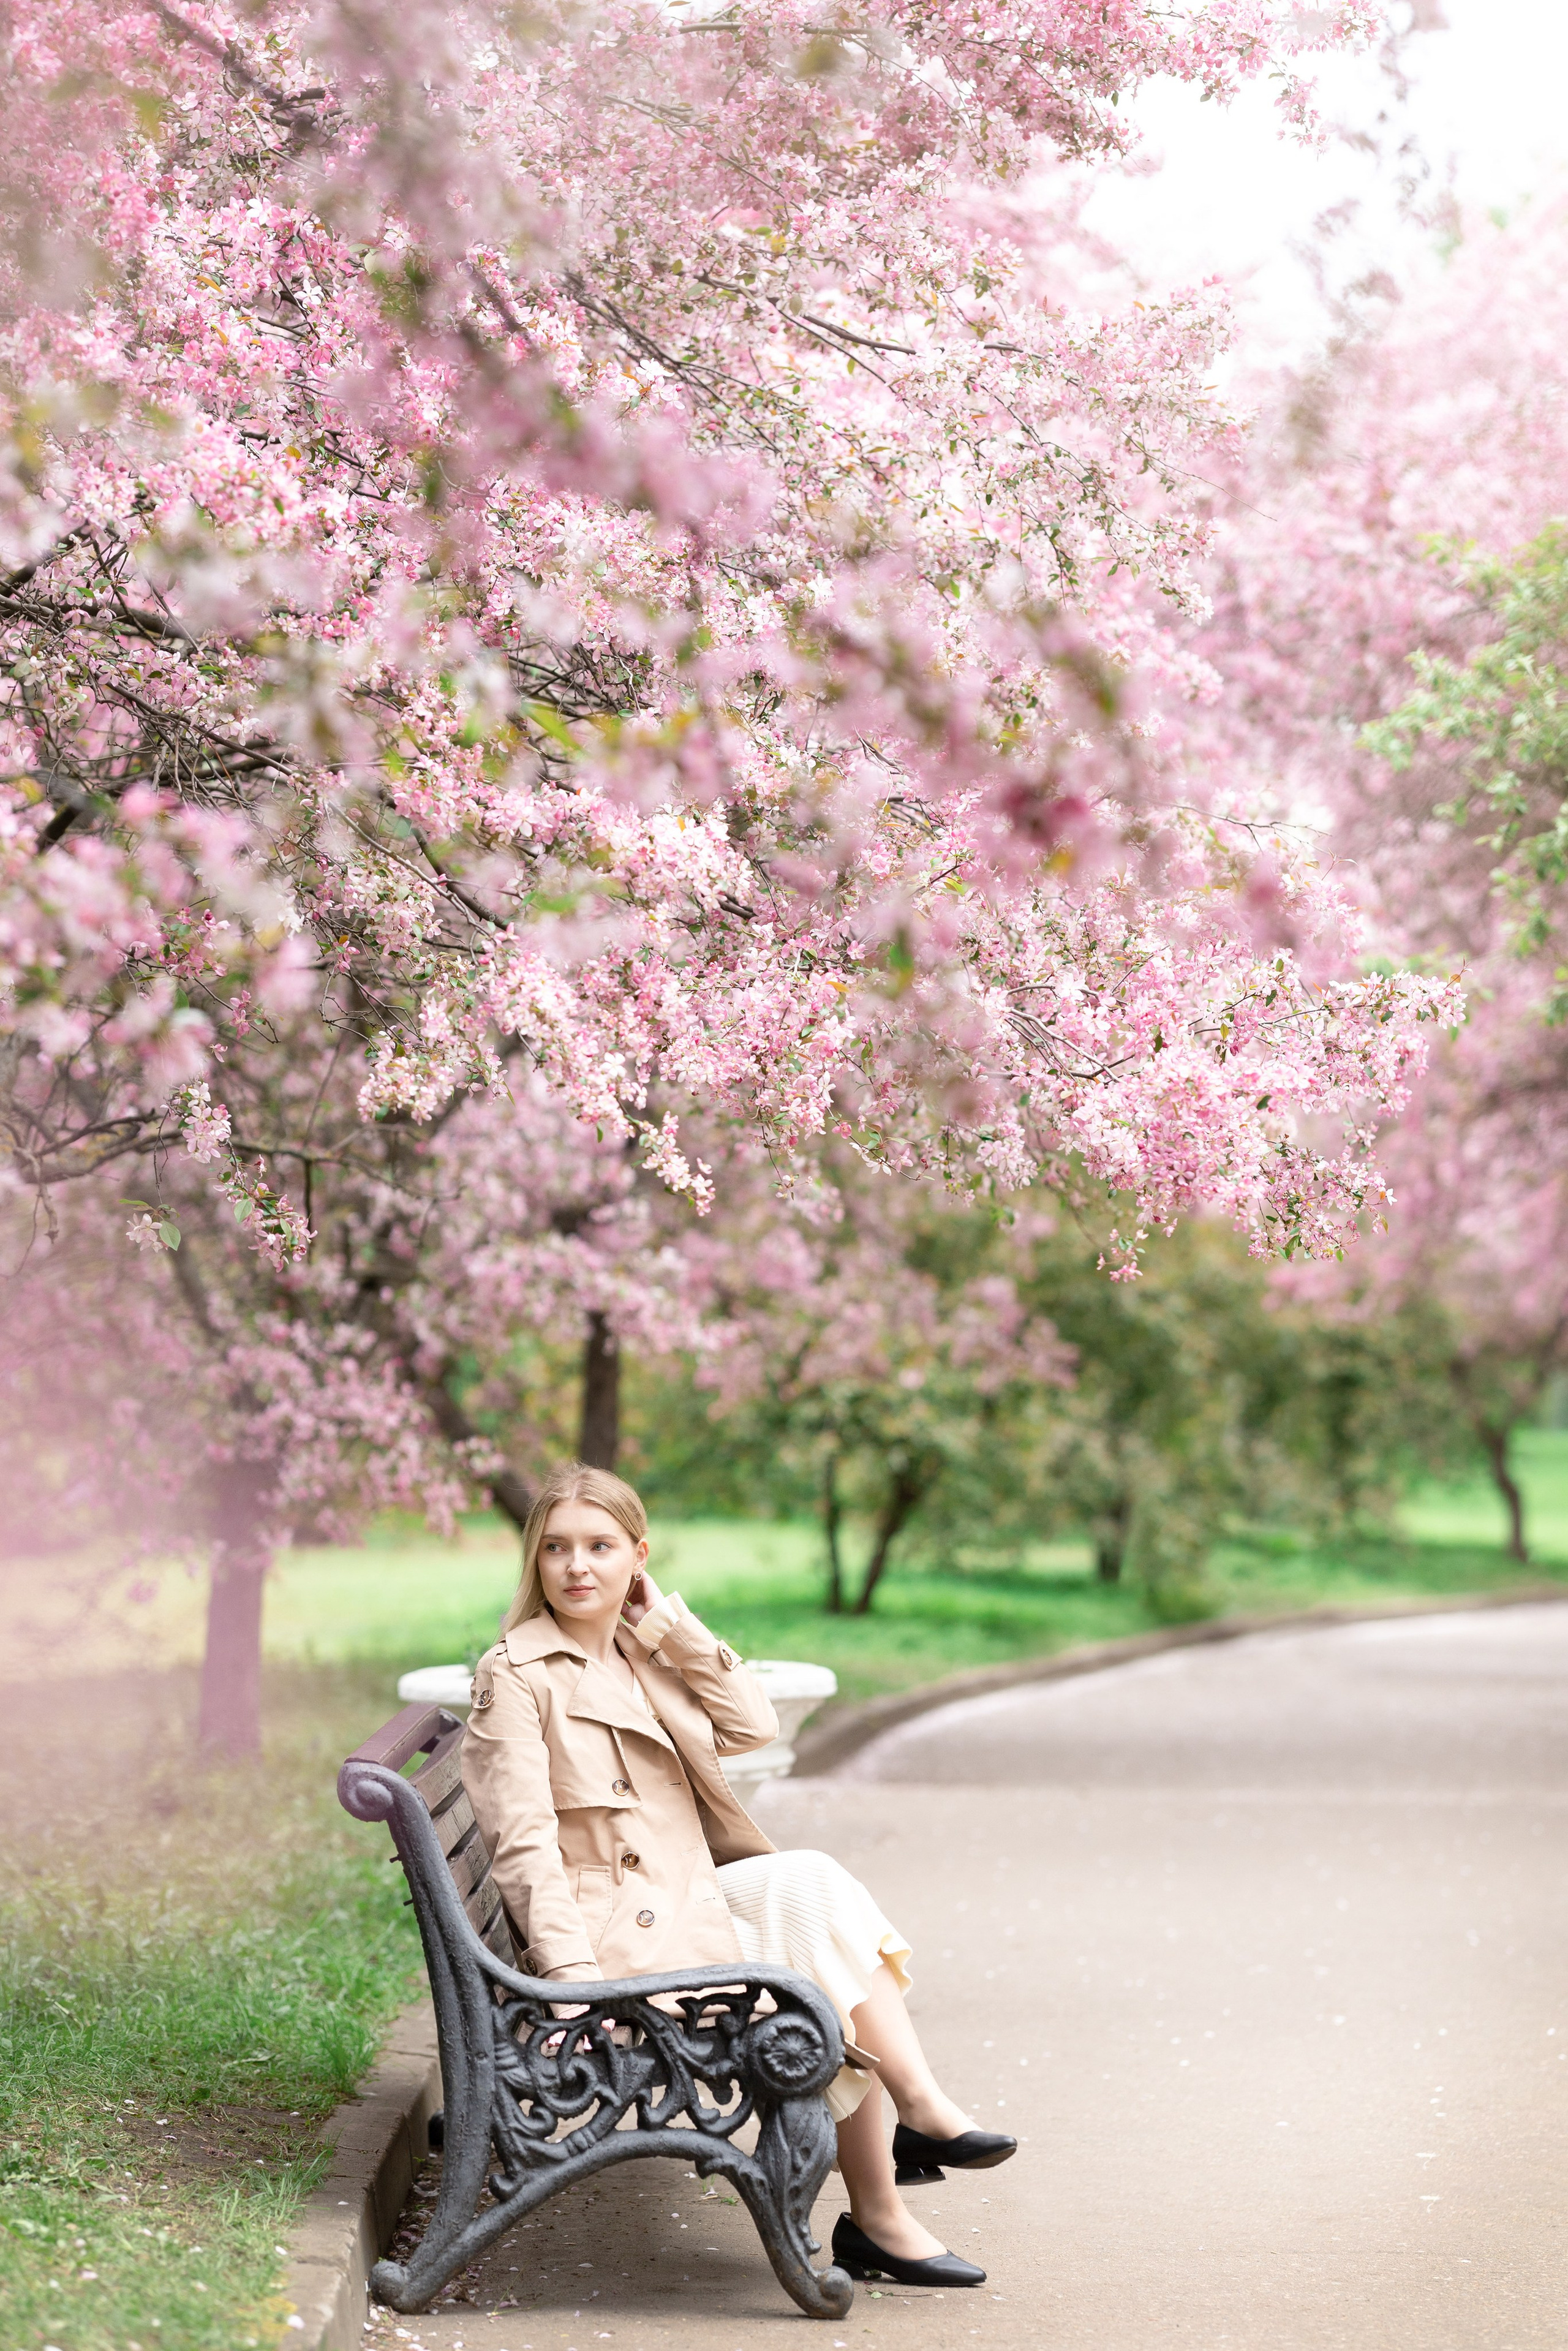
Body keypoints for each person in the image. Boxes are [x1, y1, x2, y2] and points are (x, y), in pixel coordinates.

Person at [462, 1461, 1014, 2289]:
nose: (578, 1566)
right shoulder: (515, 1672)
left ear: (637, 1557)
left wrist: (671, 1628)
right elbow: (523, 1842)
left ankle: (911, 2141)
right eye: (558, 1548)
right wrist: (570, 1981)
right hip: (616, 1947)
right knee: (815, 1957)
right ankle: (892, 2189)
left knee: (812, 1892)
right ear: (534, 1562)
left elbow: (752, 1724)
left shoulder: (638, 1651)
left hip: (683, 1906)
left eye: (601, 1546)